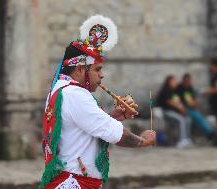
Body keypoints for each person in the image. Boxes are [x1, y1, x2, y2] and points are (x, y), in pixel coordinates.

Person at [40, 15, 156, 189]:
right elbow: (114, 134)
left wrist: (113, 117)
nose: (102, 75)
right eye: (97, 69)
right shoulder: (76, 94)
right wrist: (143, 140)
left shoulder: (61, 89)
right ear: (80, 69)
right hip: (75, 183)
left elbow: (84, 130)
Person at [156, 75, 192, 148]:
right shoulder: (165, 90)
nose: (176, 82)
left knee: (188, 119)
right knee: (181, 120)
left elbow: (179, 101)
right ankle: (181, 141)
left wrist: (182, 108)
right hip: (166, 112)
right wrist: (180, 108)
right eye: (174, 81)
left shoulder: (175, 91)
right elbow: (170, 102)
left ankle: (186, 139)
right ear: (169, 82)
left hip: (175, 112)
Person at [177, 73, 215, 141]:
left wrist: (193, 103)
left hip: (190, 108)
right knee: (197, 116)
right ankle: (209, 132)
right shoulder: (180, 88)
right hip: (183, 108)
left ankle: (209, 133)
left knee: (199, 117)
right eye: (187, 81)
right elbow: (178, 99)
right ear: (184, 80)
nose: (188, 82)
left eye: (189, 81)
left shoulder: (190, 88)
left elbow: (192, 101)